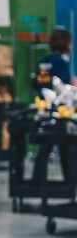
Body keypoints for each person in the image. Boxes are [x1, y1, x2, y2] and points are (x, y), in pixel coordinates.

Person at [32, 28, 72, 183]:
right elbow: (61, 87)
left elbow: (37, 82)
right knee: (66, 147)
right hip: (58, 111)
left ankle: (37, 181)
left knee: (44, 147)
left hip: (43, 109)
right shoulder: (61, 62)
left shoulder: (44, 61)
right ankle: (69, 183)